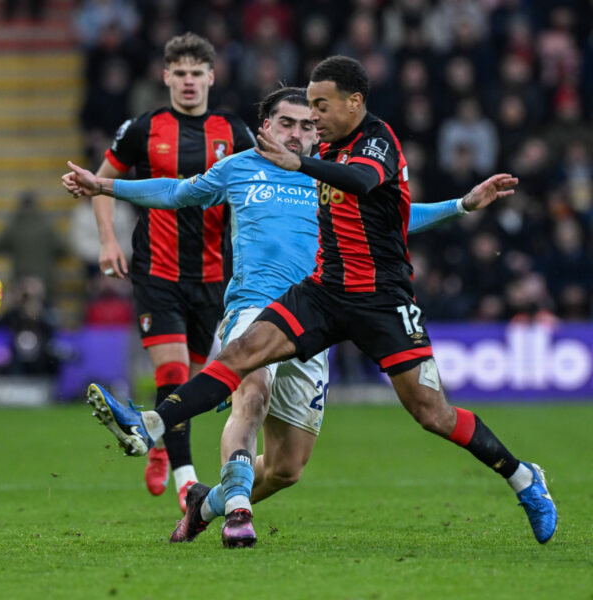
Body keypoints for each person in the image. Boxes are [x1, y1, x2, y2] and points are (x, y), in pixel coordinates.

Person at [62, 66, 556, 551]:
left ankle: (522, 475)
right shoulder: (249, 165)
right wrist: (106, 186)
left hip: (381, 300)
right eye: (296, 118)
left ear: (352, 103)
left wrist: (460, 206)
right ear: (267, 127)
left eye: (317, 111)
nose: (309, 124)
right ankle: (151, 427)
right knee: (243, 366)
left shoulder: (368, 145)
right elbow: (176, 190)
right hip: (313, 292)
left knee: (411, 420)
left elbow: (378, 196)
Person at [88, 32, 255, 512]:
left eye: (196, 73)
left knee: (188, 382)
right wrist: (107, 240)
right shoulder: (143, 128)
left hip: (213, 275)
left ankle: (156, 441)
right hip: (156, 270)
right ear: (165, 77)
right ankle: (187, 480)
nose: (187, 81)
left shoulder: (233, 132)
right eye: (178, 73)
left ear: (211, 77)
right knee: (174, 367)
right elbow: (102, 182)